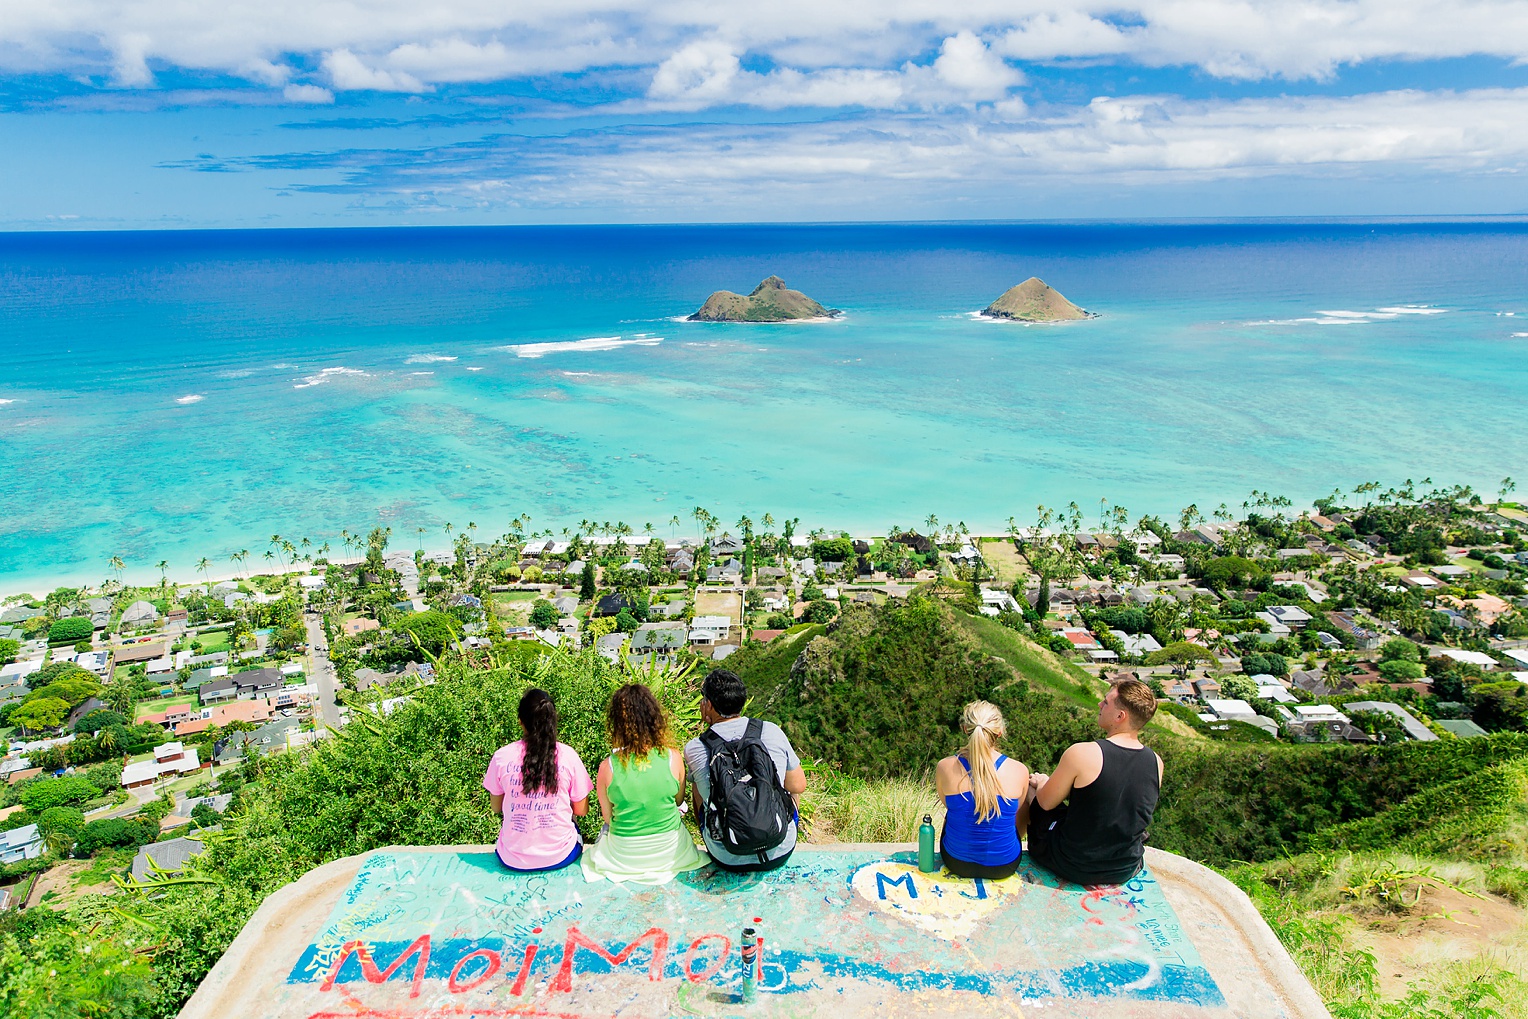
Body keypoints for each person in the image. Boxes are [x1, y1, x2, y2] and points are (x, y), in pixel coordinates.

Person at [1025, 678, 1164, 886]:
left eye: (1106, 702)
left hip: (1072, 863)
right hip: (1125, 867)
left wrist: (1042, 781)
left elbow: (1045, 803)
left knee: (1030, 788)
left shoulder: (1083, 752)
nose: (1100, 705)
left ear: (1120, 716)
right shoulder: (1156, 762)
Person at [581, 683, 708, 884]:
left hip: (624, 856)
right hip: (670, 853)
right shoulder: (673, 758)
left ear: (617, 723)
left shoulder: (608, 767)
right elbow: (678, 801)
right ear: (654, 718)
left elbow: (608, 818)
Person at [684, 669, 807, 873]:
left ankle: (716, 836)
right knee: (789, 787)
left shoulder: (695, 747)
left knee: (698, 786)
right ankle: (779, 829)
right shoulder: (771, 730)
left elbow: (702, 795)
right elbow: (798, 786)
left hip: (728, 857)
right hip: (781, 851)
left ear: (709, 705)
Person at [482, 688, 593, 872]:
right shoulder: (568, 755)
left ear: (521, 721)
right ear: (552, 721)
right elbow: (581, 810)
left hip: (511, 858)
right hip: (561, 855)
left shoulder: (502, 756)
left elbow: (496, 807)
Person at [934, 701, 1029, 880]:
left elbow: (948, 805)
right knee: (1025, 799)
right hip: (1005, 866)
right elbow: (1018, 809)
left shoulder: (944, 767)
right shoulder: (1019, 770)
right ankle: (1006, 845)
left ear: (965, 729)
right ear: (999, 732)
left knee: (956, 810)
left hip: (956, 862)